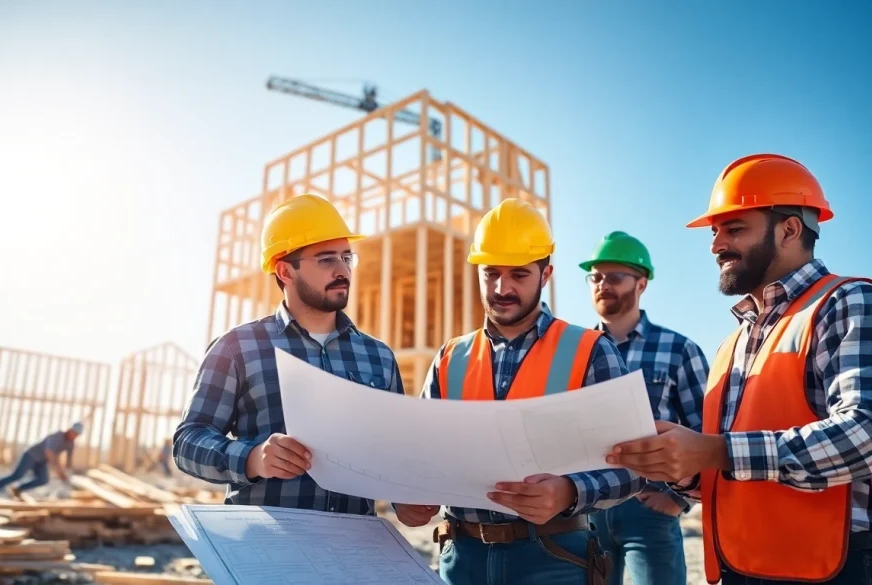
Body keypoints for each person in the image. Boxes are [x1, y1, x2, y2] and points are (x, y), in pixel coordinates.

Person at [608, 153, 872, 584]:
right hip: (746, 566)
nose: (716, 245)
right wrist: (681, 467)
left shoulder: (852, 303)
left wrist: (716, 450)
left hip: (843, 567)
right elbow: (734, 472)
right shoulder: (732, 344)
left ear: (790, 229)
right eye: (715, 232)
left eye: (734, 229)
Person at [393, 199, 646, 585]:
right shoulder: (450, 357)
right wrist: (406, 497)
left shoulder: (591, 350)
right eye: (490, 273)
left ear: (546, 273)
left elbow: (635, 464)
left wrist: (569, 491)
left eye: (518, 274)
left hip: (554, 557)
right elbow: (420, 454)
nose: (501, 288)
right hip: (461, 557)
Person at [173, 193, 404, 515]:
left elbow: (396, 453)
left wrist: (408, 498)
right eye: (326, 259)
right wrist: (252, 459)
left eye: (347, 258)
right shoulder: (238, 347)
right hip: (270, 544)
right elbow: (188, 443)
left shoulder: (377, 356)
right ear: (285, 272)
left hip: (355, 544)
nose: (343, 271)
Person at [579, 231, 708, 585]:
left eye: (615, 276)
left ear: (642, 283)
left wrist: (677, 502)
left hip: (650, 507)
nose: (603, 284)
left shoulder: (679, 349)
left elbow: (706, 433)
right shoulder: (574, 351)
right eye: (596, 276)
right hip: (586, 510)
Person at [0, 422, 82, 498]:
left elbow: (69, 461)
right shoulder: (56, 436)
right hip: (31, 455)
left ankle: (17, 489)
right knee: (16, 476)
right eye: (74, 433)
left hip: (41, 461)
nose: (74, 436)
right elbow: (49, 453)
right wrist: (58, 471)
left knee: (43, 480)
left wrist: (67, 474)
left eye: (77, 435)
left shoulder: (70, 443)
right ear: (70, 429)